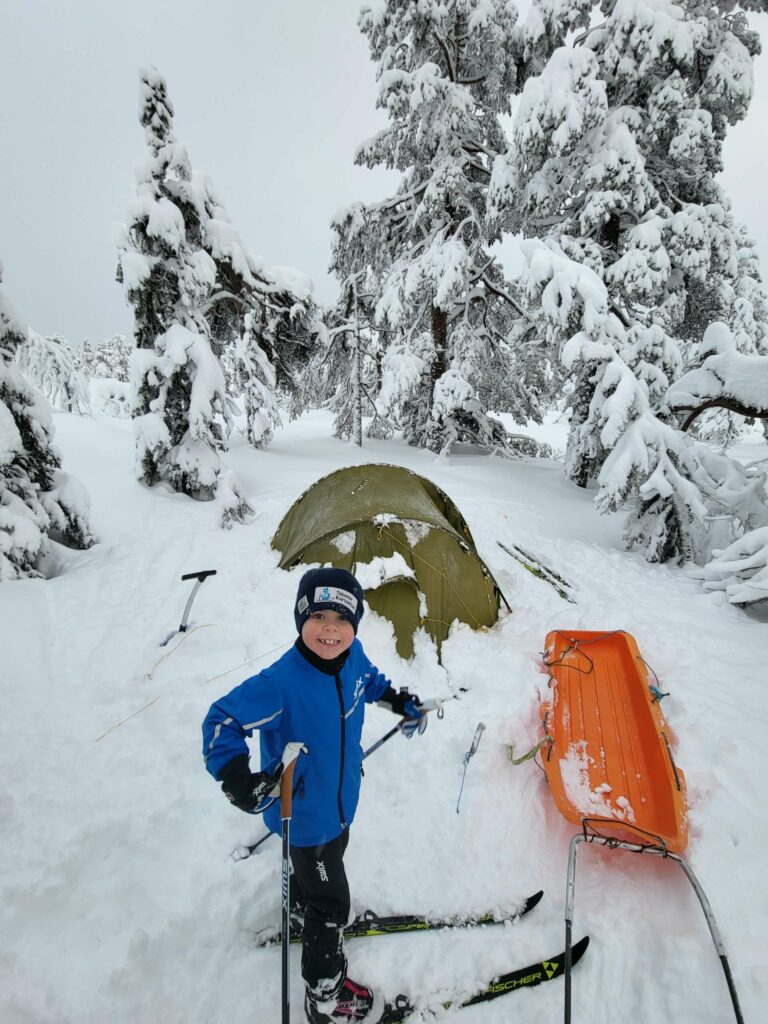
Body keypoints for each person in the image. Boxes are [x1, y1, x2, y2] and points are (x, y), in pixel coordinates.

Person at [202, 567, 426, 1024]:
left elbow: (370, 682)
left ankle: (303, 907)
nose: (330, 629)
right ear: (300, 619)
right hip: (302, 817)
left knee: (330, 860)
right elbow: (220, 721)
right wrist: (237, 779)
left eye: (341, 619)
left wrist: (399, 701)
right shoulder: (282, 682)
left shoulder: (354, 655)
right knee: (333, 902)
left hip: (339, 803)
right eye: (318, 616)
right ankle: (326, 994)